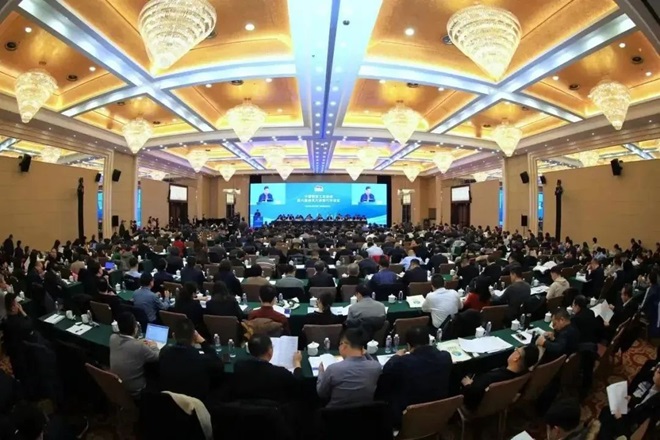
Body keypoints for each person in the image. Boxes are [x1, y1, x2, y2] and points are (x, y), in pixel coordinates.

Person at [376, 326, 452, 428]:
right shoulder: (445, 357)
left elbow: (387, 370)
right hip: (437, 413)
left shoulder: (402, 363)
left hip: (407, 418)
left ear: (408, 345)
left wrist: (396, 356)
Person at [158, 318, 224, 402]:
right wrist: (204, 342)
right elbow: (219, 365)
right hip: (196, 405)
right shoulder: (201, 358)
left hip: (170, 403)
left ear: (174, 336)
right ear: (194, 336)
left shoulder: (164, 353)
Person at [316, 328, 382, 407]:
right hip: (364, 413)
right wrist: (366, 354)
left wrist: (321, 372)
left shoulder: (333, 369)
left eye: (340, 344)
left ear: (344, 345)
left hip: (335, 413)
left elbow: (321, 393)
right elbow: (373, 362)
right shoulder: (376, 367)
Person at [461, 344, 539, 410]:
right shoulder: (524, 376)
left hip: (477, 406)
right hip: (500, 404)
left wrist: (468, 385)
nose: (514, 351)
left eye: (516, 350)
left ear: (516, 358)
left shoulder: (490, 378)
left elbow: (471, 395)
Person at [231, 334, 304, 402]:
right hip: (274, 409)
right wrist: (297, 363)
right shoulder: (279, 373)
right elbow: (297, 383)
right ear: (269, 351)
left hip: (246, 408)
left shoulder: (239, 366)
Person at [597, 362, 660, 440]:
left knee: (607, 420)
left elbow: (637, 431)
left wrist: (619, 418)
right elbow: (641, 401)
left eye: (659, 372)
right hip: (631, 414)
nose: (656, 370)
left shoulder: (657, 406)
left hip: (630, 429)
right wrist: (632, 400)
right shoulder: (653, 385)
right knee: (606, 410)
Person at [109, 312, 160, 397]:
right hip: (136, 390)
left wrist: (137, 341)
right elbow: (157, 356)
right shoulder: (139, 346)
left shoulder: (112, 338)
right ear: (135, 328)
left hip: (118, 386)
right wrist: (154, 346)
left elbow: (128, 344)